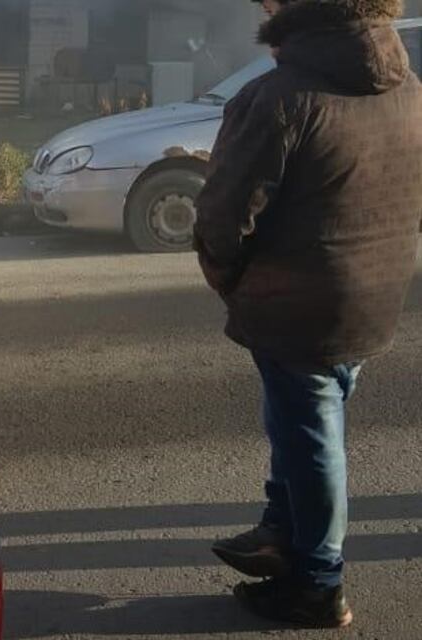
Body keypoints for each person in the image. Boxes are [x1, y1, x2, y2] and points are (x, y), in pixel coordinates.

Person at [194, 0, 422, 628]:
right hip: (376, 295)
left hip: (296, 304)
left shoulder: (277, 98)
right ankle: (281, 531)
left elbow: (221, 218)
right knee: (302, 420)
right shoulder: (411, 90)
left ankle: (319, 583)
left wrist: (231, 278)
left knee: (313, 437)